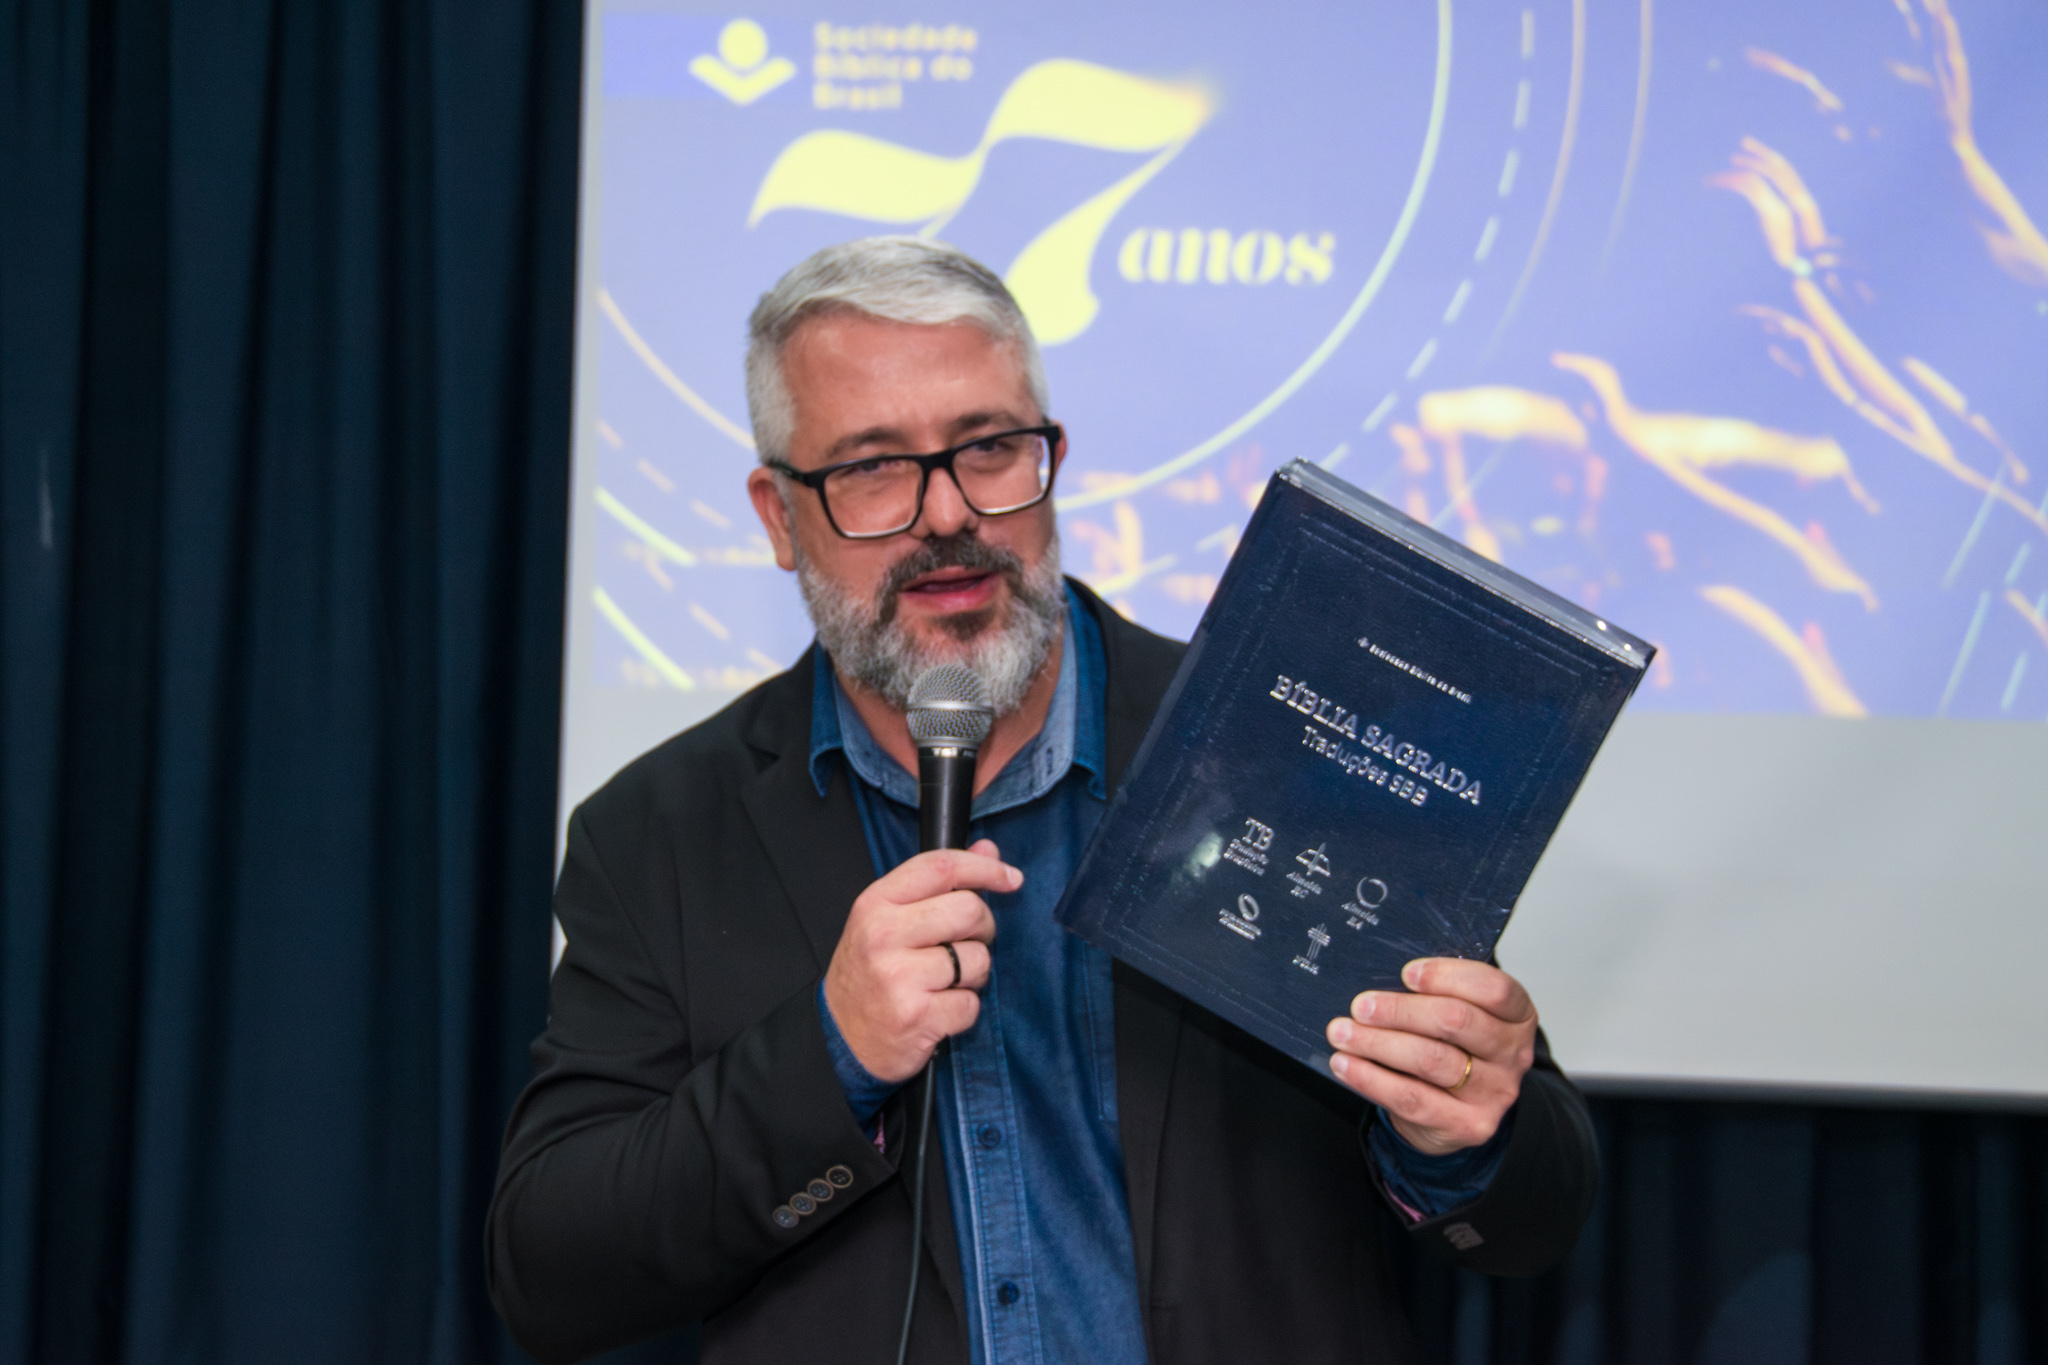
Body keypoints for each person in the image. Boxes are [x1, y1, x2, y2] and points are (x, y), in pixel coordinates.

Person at [488, 237, 1597, 1365]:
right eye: (873, 467)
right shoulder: (662, 833)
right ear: (779, 515)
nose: (946, 514)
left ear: (1051, 457)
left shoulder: (1278, 747)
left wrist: (1460, 1135)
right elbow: (551, 1275)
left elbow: (1534, 1215)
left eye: (988, 448)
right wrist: (832, 1052)